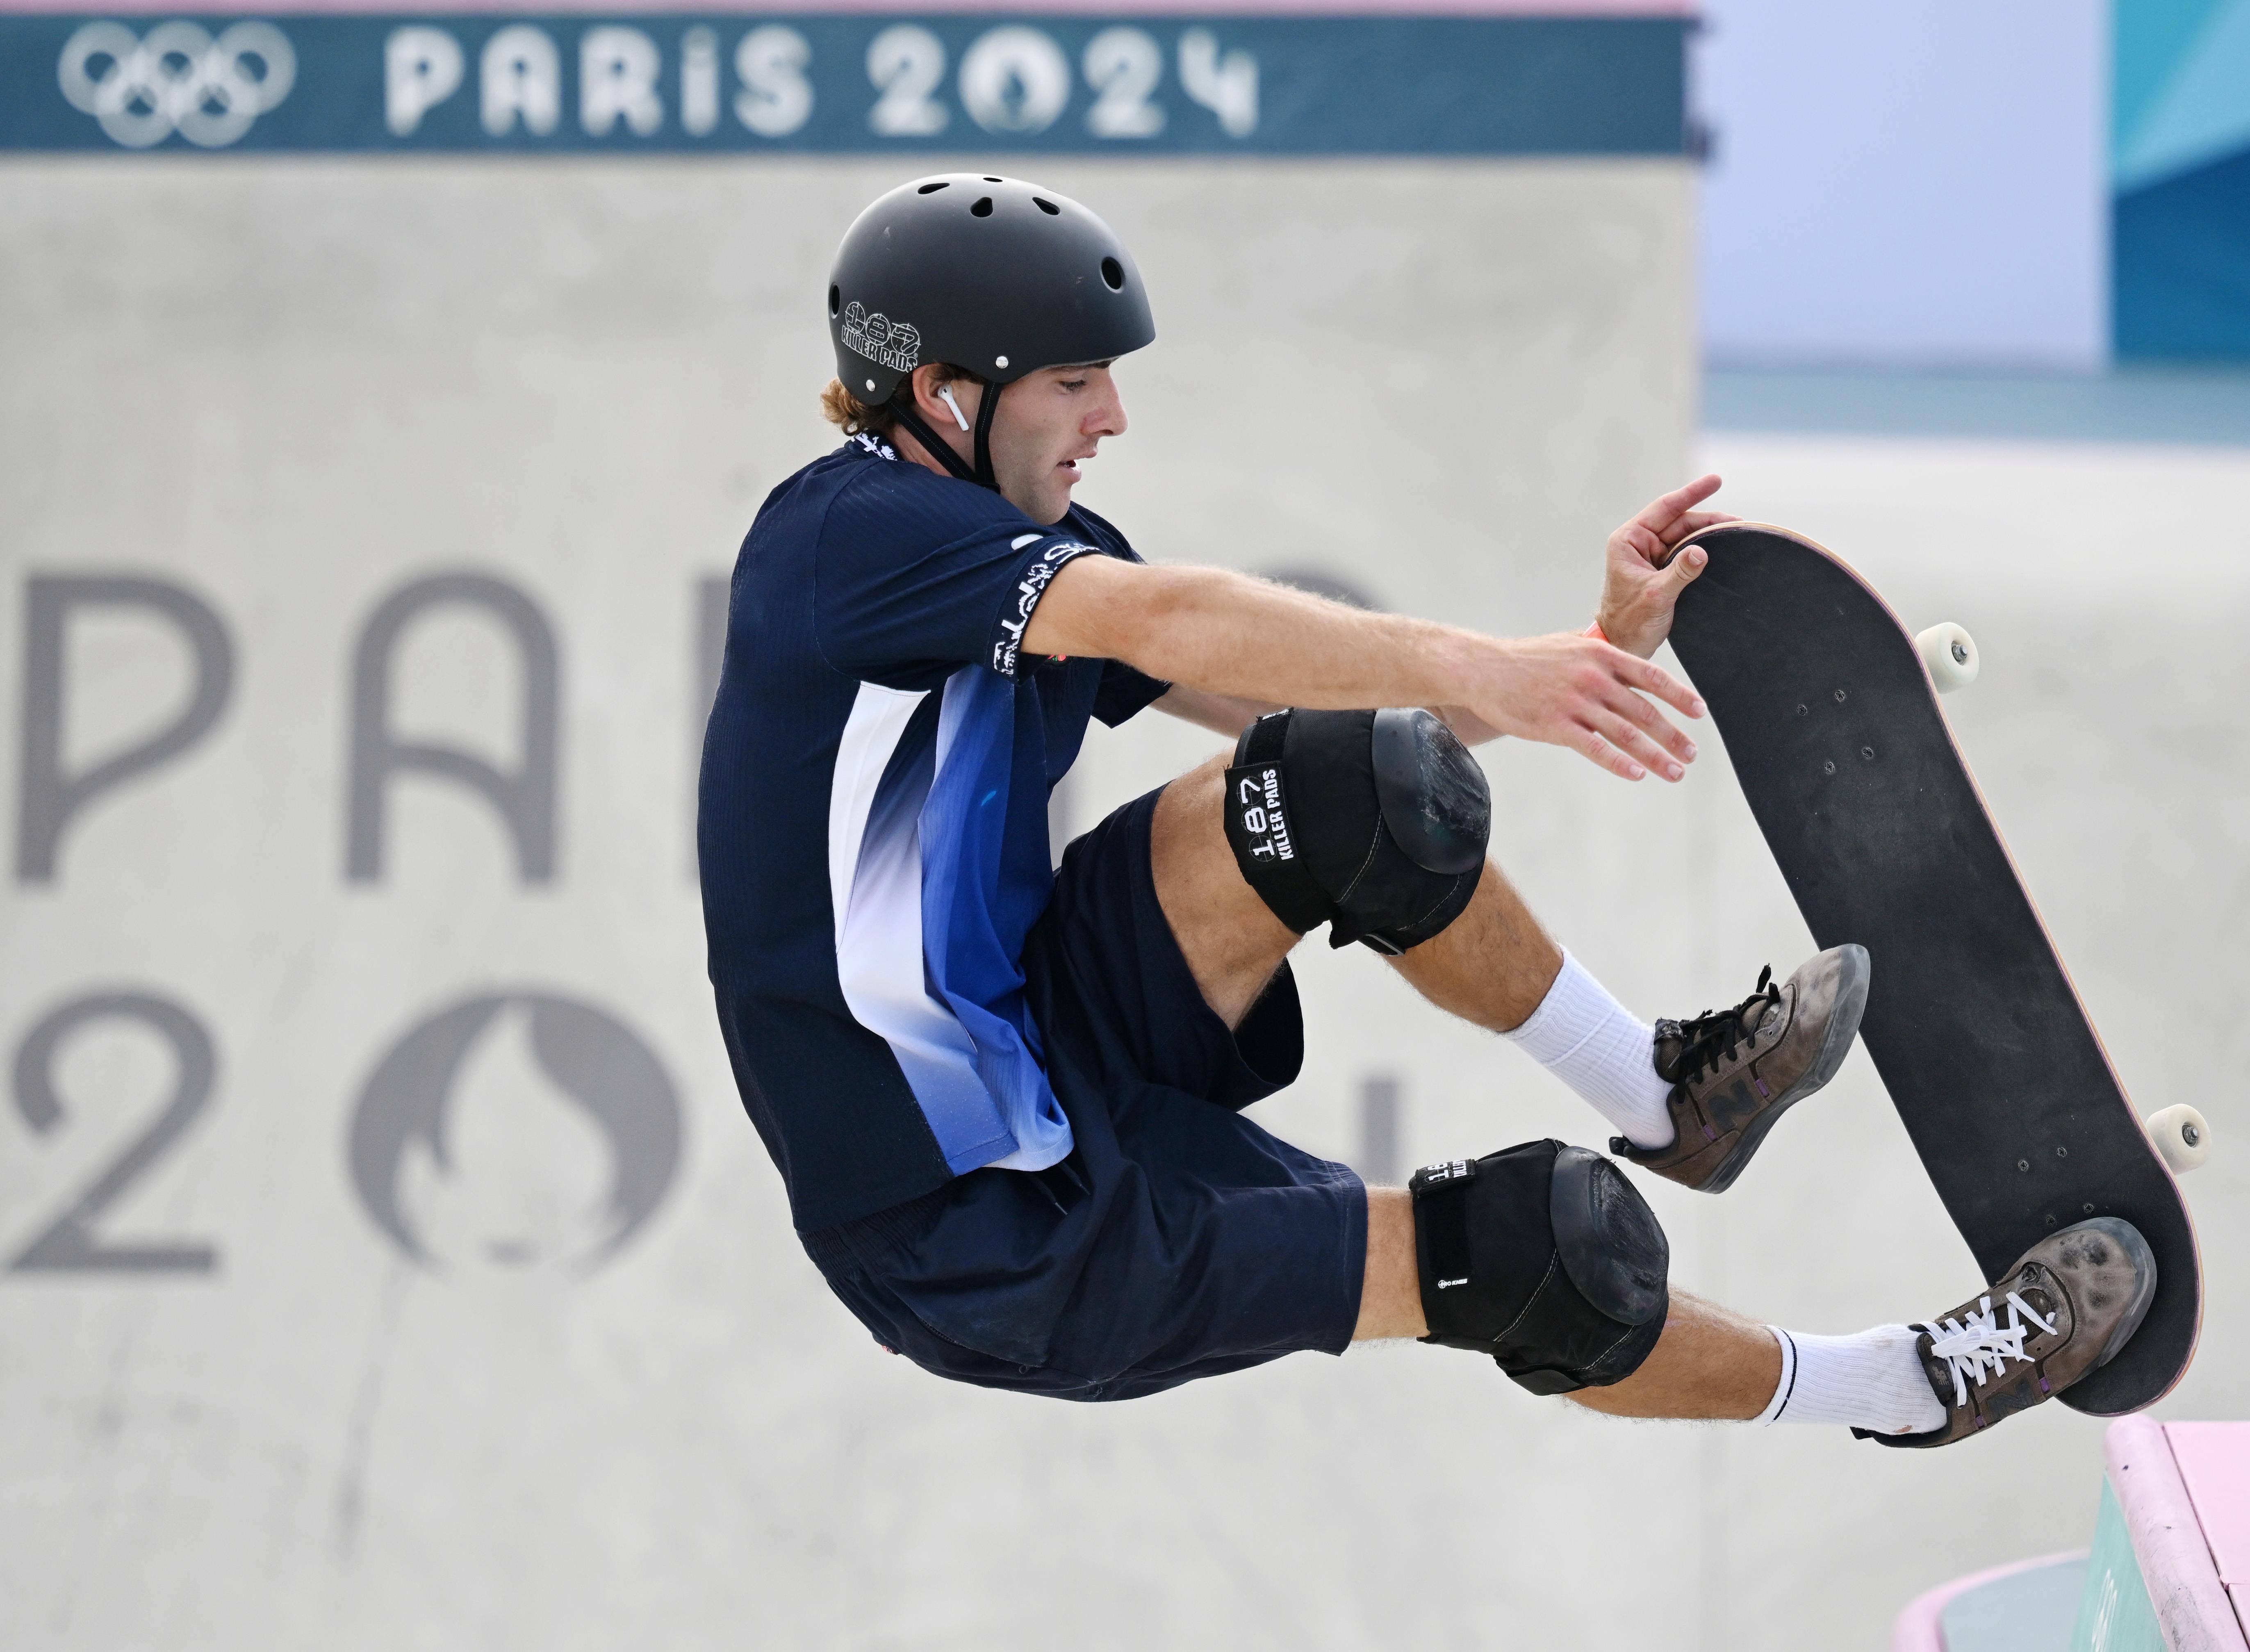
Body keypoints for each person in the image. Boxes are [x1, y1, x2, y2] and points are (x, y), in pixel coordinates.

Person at [697, 175, 2156, 1447]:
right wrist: (1499, 674)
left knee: (1355, 783)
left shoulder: (1021, 546)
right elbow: (1180, 619)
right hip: (969, 1224)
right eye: (1074, 380)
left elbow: (1306, 712)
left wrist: (1569, 662)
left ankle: (1661, 1096)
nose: (1114, 416)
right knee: (1532, 1251)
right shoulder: (849, 538)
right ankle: (1909, 1385)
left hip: (1051, 1020)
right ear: (947, 392)